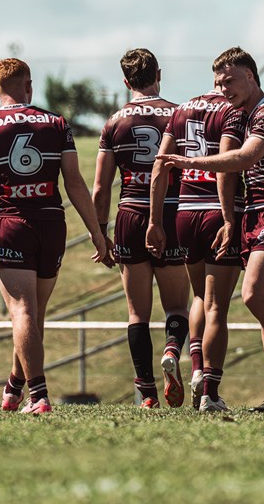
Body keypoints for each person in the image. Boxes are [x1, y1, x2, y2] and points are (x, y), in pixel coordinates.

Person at [158, 46, 264, 412]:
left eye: (229, 81)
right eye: (218, 83)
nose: (223, 89)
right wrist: (230, 219)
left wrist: (188, 161)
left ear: (251, 76)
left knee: (253, 297)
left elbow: (245, 158)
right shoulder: (241, 115)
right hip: (254, 216)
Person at [0, 57, 111, 415]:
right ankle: (14, 387)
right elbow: (74, 182)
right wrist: (96, 232)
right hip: (51, 224)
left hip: (12, 224)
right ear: (29, 86)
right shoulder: (56, 123)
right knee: (34, 313)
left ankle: (39, 395)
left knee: (23, 312)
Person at [93, 48, 191, 409]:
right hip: (171, 212)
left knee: (137, 313)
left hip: (130, 215)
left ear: (125, 81)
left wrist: (99, 233)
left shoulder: (114, 122)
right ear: (159, 74)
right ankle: (172, 349)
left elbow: (101, 189)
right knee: (178, 306)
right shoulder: (178, 115)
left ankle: (147, 395)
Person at [147, 86, 247, 412]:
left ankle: (197, 366)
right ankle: (209, 391)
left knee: (200, 297)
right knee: (217, 304)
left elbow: (160, 166)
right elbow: (228, 167)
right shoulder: (233, 109)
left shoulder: (182, 110)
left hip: (185, 213)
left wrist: (155, 220)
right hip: (217, 211)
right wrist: (230, 217)